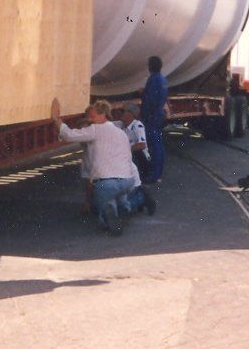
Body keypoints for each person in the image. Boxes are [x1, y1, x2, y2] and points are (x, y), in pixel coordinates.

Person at [52, 98, 154, 235]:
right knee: (122, 202)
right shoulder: (120, 132)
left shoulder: (94, 130)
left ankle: (107, 217)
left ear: (103, 115)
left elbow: (68, 135)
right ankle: (137, 199)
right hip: (127, 180)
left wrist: (56, 119)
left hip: (107, 183)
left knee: (105, 199)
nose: (90, 120)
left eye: (92, 116)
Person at [140, 55, 169, 183]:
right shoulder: (162, 79)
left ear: (150, 66)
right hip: (158, 115)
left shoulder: (153, 79)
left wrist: (142, 93)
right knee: (158, 144)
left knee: (153, 145)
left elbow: (151, 99)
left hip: (151, 116)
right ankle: (158, 172)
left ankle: (154, 174)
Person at [119, 103, 151, 181]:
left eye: (122, 111)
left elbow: (142, 145)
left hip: (139, 157)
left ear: (130, 114)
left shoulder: (137, 125)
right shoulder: (123, 126)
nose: (120, 113)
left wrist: (126, 150)